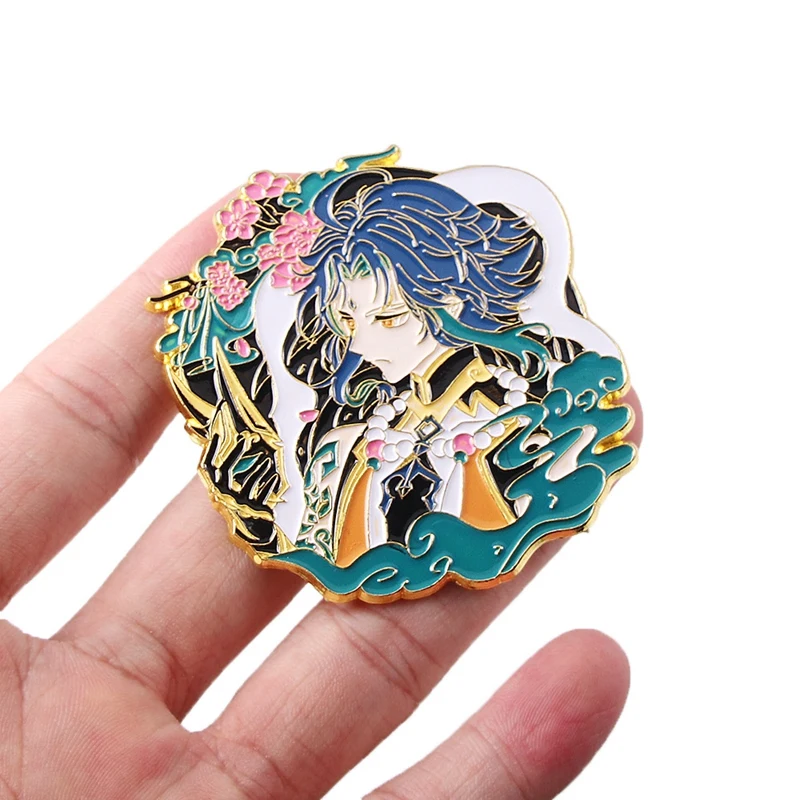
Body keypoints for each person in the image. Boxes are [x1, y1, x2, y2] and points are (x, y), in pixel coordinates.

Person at [0, 183, 643, 798]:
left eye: (387, 317)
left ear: (450, 302)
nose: (362, 341)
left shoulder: (497, 408)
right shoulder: (369, 427)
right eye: (346, 319)